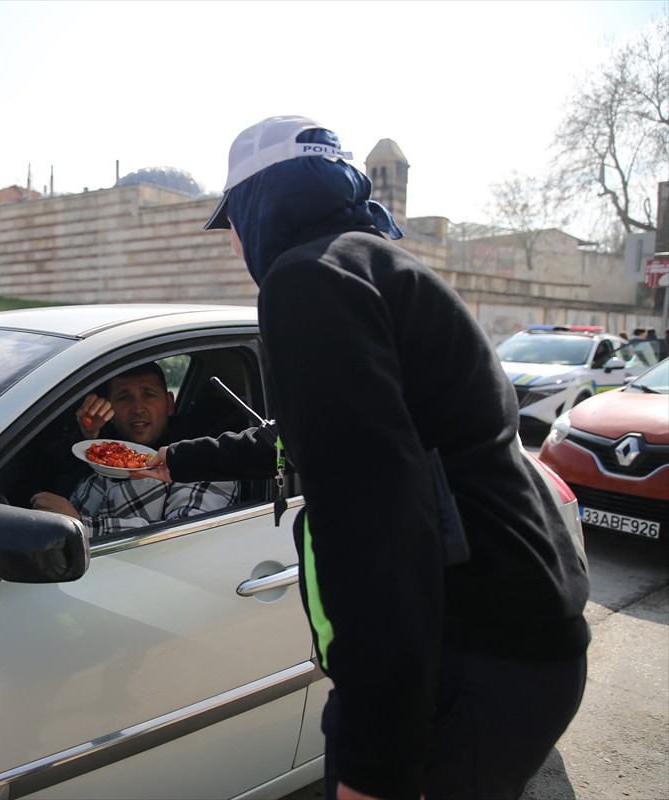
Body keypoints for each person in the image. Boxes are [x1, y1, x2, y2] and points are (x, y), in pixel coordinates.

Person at [139, 115, 590, 799]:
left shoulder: (307, 281)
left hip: (472, 655)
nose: (234, 242)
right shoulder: (371, 264)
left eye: (231, 220)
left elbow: (374, 521)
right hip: (522, 641)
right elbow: (308, 436)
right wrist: (177, 461)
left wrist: (375, 766)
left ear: (261, 204)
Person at [31, 362, 237, 539]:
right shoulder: (103, 448)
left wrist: (80, 525)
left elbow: (186, 535)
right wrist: (87, 434)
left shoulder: (199, 458)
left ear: (169, 404)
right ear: (109, 409)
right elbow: (46, 472)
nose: (138, 408)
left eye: (148, 395)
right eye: (124, 398)